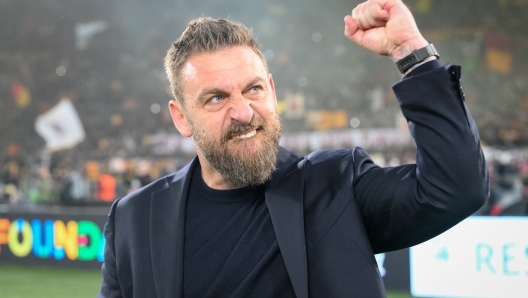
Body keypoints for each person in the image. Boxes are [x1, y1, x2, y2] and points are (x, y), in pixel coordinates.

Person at [98, 0, 489, 297]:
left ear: (272, 90)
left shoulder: (337, 187)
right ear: (181, 118)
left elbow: (457, 187)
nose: (242, 112)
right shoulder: (134, 220)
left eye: (253, 89)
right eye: (216, 98)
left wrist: (412, 54)